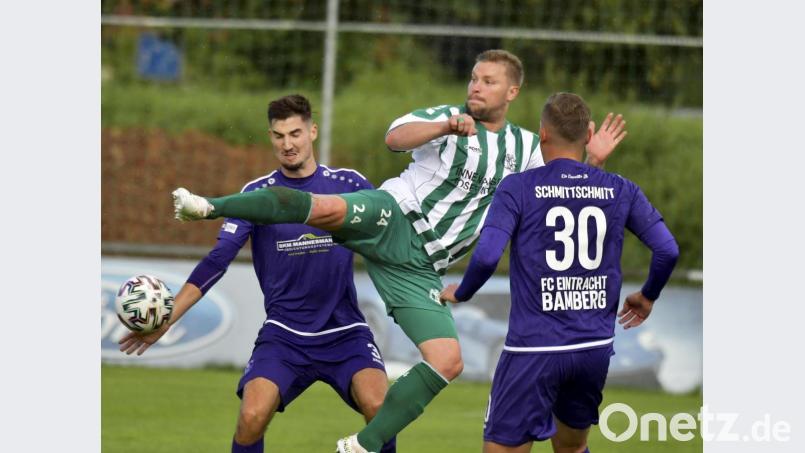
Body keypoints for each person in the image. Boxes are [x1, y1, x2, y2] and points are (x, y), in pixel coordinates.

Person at [171, 50, 626, 453]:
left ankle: (361, 446)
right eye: (473, 77)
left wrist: (595, 162)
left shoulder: (525, 148)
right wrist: (445, 125)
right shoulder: (449, 118)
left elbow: (560, 187)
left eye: (488, 81)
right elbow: (395, 137)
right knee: (322, 207)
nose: (475, 86)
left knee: (448, 360)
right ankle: (209, 205)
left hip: (421, 267)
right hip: (394, 216)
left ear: (512, 91)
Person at [118, 94, 396, 453]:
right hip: (284, 334)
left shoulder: (349, 183)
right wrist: (168, 318)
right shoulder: (257, 195)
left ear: (312, 131)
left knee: (382, 411)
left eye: (295, 133)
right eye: (279, 136)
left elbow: (390, 237)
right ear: (270, 137)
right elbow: (217, 260)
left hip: (345, 330)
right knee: (251, 416)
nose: (287, 144)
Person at [440, 92, 679, 453]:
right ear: (589, 134)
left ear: (542, 134)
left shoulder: (517, 188)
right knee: (571, 447)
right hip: (592, 349)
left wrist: (463, 291)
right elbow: (667, 250)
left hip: (533, 349)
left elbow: (487, 257)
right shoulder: (620, 189)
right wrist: (648, 295)